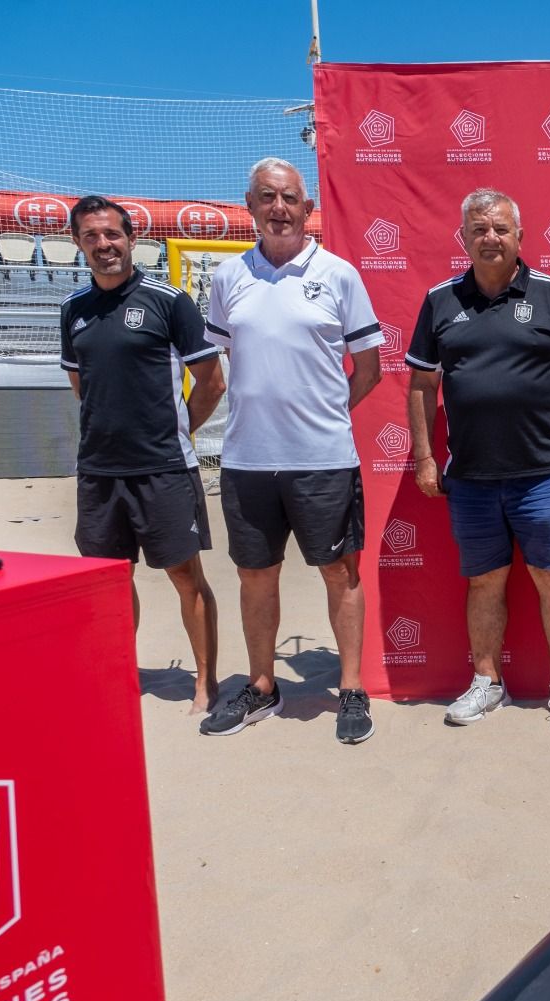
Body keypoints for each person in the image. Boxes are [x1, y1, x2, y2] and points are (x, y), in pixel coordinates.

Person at [198, 158, 385, 744]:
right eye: (267, 197)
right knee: (255, 576)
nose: (280, 208)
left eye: (291, 198)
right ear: (248, 206)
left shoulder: (340, 275)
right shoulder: (228, 280)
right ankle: (261, 687)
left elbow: (371, 369)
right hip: (248, 461)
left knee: (340, 573)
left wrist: (322, 416)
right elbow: (219, 368)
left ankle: (351, 688)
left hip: (323, 459)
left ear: (308, 209)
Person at [406, 189, 550, 730]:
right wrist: (424, 457)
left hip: (542, 472)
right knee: (484, 582)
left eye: (500, 229)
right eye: (479, 229)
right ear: (463, 238)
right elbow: (423, 384)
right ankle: (487, 683)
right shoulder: (440, 300)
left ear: (519, 236)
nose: (490, 238)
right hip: (470, 477)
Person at [60, 195, 225, 714]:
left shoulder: (168, 300)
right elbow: (81, 385)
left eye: (112, 234)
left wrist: (174, 429)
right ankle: (117, 674)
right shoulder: (73, 311)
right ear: (78, 244)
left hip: (163, 468)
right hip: (100, 472)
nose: (103, 244)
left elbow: (212, 382)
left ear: (132, 239)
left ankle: (205, 682)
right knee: (110, 582)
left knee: (185, 577)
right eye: (91, 236)